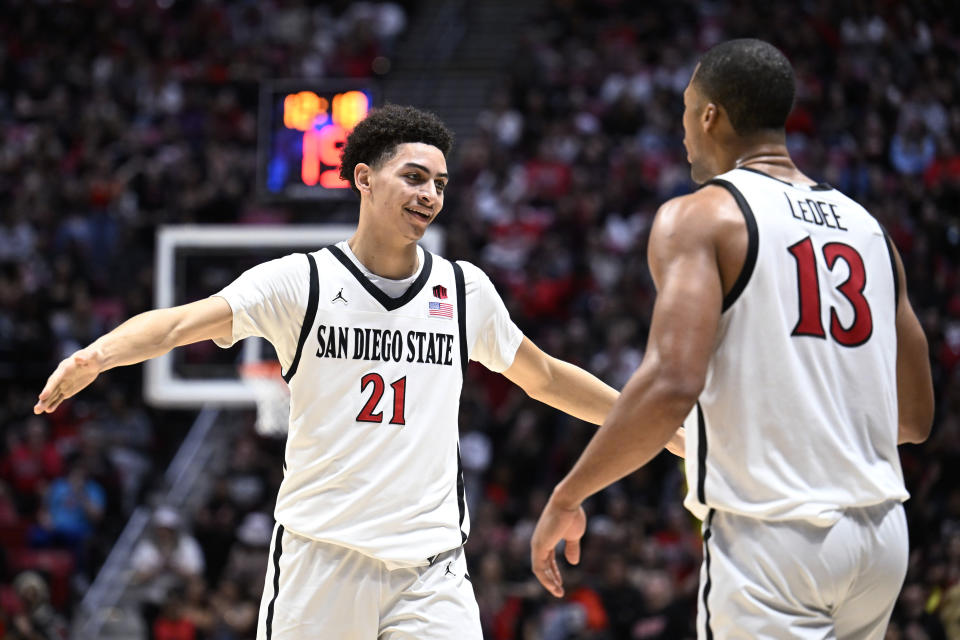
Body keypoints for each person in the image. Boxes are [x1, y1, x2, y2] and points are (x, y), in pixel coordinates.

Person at [34, 104, 682, 639]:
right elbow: (182, 322)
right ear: (365, 179)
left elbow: (544, 376)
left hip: (431, 568)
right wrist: (97, 355)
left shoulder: (464, 290)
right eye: (415, 177)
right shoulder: (301, 281)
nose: (430, 194)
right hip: (321, 561)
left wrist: (650, 424)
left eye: (440, 184)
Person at [531, 39, 935, 640]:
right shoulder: (869, 229)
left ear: (710, 115)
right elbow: (915, 419)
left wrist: (569, 493)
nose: (684, 127)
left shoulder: (702, 215)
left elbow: (672, 383)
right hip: (880, 541)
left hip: (775, 539)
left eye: (687, 108)